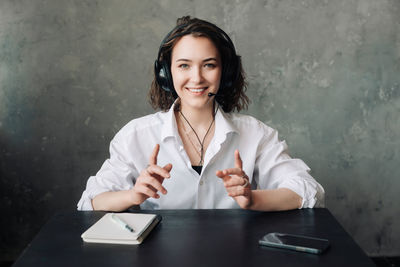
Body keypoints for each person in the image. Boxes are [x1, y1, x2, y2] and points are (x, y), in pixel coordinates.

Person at [77, 16, 324, 212]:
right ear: (166, 73)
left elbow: (309, 191)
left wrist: (252, 199)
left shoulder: (256, 134)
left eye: (209, 65)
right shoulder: (135, 135)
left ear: (225, 73)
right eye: (184, 65)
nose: (197, 78)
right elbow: (90, 202)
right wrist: (133, 195)